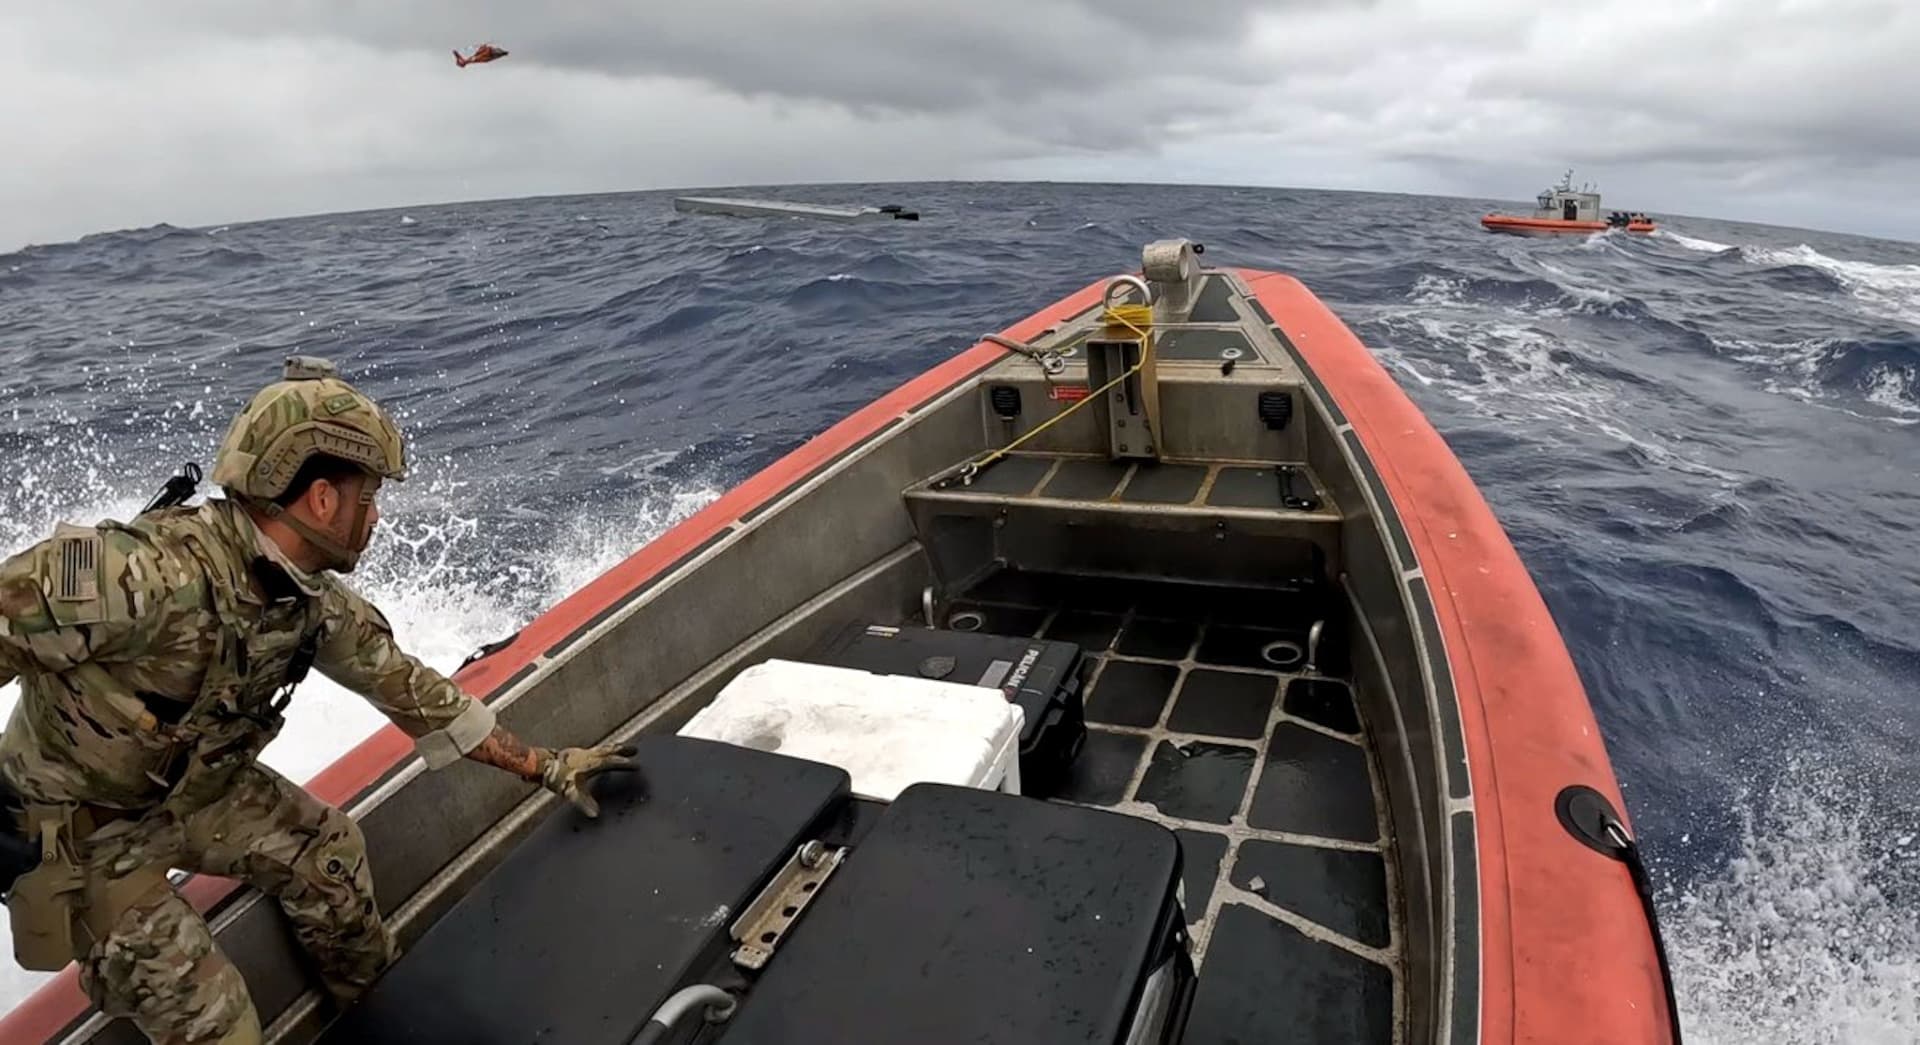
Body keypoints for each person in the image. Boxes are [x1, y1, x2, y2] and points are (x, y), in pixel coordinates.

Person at [0, 356, 635, 1044]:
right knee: (221, 1023)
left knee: (330, 857)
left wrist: (544, 764)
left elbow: (415, 692)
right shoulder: (140, 576)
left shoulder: (309, 603)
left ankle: (381, 1022)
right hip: (85, 840)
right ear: (323, 501)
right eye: (369, 494)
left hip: (194, 796)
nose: (378, 512)